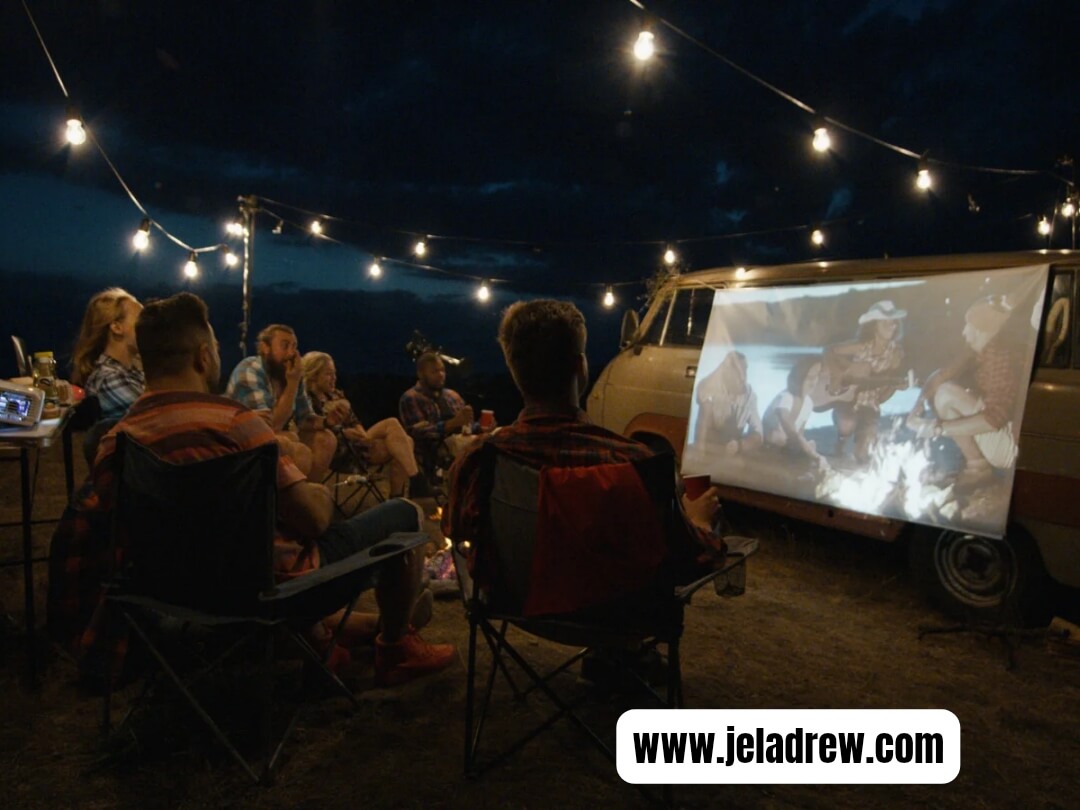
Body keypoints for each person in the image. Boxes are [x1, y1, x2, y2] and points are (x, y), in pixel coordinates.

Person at [77, 294, 454, 687]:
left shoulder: (114, 445)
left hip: (165, 595)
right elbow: (316, 519)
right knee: (404, 514)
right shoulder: (235, 425)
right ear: (203, 357)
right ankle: (393, 648)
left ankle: (335, 635)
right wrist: (316, 491)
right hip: (264, 591)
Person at [443, 299, 726, 589]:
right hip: (620, 616)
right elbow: (692, 556)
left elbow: (456, 531)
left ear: (513, 369)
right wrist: (699, 521)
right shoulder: (636, 463)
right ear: (580, 366)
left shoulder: (479, 458)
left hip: (515, 603)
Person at [907, 295, 1026, 489]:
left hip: (1011, 446)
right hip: (1002, 434)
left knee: (946, 395)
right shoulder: (980, 350)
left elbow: (994, 418)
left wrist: (938, 428)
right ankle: (978, 468)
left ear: (979, 329)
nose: (963, 332)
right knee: (944, 389)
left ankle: (979, 470)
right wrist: (916, 409)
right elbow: (940, 376)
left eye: (967, 325)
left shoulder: (1001, 357)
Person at [302, 351, 431, 498]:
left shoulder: (335, 395)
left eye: (335, 373)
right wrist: (344, 433)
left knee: (405, 442)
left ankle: (397, 498)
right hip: (339, 451)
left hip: (356, 446)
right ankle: (417, 481)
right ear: (313, 375)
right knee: (393, 424)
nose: (334, 378)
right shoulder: (306, 401)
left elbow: (355, 422)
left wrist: (361, 434)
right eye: (329, 374)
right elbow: (311, 427)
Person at [225, 324, 337, 481]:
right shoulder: (250, 369)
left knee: (325, 439)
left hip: (271, 438)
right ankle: (289, 498)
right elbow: (269, 426)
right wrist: (292, 383)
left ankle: (305, 495)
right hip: (240, 446)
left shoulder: (289, 373)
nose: (291, 353)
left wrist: (327, 421)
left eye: (294, 346)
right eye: (285, 346)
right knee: (295, 446)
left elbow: (305, 419)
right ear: (265, 348)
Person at [823, 300, 908, 462]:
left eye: (893, 322)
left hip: (870, 406)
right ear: (874, 325)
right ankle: (840, 443)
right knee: (847, 424)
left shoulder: (896, 353)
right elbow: (828, 350)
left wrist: (894, 387)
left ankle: (859, 444)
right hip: (846, 401)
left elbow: (883, 394)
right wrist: (836, 376)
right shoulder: (860, 346)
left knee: (863, 456)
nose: (891, 326)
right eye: (885, 322)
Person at [399, 351, 485, 473]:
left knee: (499, 436)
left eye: (442, 370)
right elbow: (418, 433)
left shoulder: (452, 395)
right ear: (421, 374)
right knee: (485, 447)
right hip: (437, 448)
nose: (441, 375)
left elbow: (467, 426)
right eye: (434, 372)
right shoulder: (411, 397)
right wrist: (452, 423)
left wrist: (481, 426)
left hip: (463, 440)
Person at [71, 288, 145, 421]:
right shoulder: (109, 379)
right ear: (117, 328)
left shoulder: (132, 371)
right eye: (140, 320)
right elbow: (158, 418)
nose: (147, 326)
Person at [761, 355, 829, 469]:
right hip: (767, 445)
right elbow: (790, 430)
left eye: (816, 377)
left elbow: (800, 433)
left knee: (808, 447)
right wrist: (813, 454)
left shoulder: (808, 403)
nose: (813, 382)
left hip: (786, 446)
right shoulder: (785, 397)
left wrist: (806, 448)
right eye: (809, 377)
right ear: (799, 378)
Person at [692, 350, 762, 455]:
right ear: (726, 371)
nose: (743, 376)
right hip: (710, 448)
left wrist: (740, 445)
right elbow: (703, 422)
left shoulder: (750, 397)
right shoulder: (711, 390)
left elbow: (759, 434)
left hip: (734, 447)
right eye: (738, 370)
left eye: (745, 369)